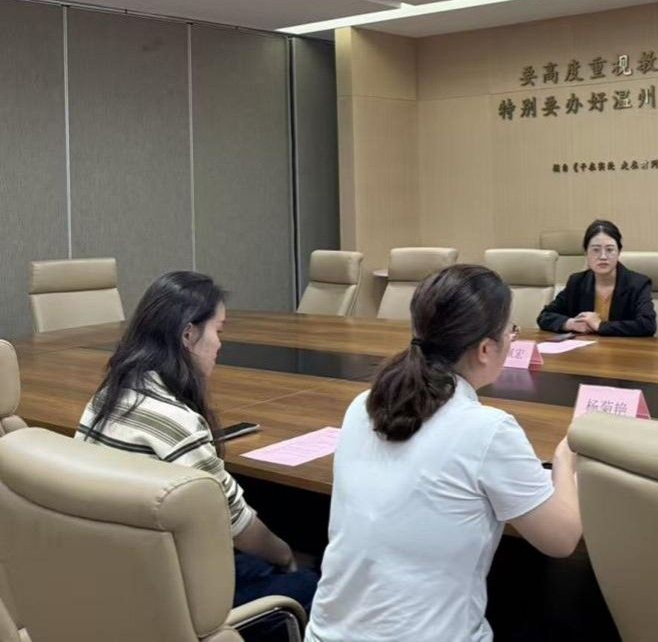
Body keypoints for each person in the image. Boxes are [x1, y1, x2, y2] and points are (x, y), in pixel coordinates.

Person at [306, 265, 582, 642]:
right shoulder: (487, 429)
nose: (512, 339)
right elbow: (561, 539)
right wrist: (565, 461)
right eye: (511, 331)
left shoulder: (364, 405)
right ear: (486, 349)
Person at [76, 272, 318, 614]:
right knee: (315, 582)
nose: (220, 344)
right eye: (218, 330)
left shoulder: (105, 398)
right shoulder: (176, 422)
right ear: (189, 334)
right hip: (171, 598)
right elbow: (238, 525)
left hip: (114, 578)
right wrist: (288, 556)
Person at [537, 219, 656, 337]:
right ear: (586, 253)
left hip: (623, 348)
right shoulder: (577, 282)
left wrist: (600, 325)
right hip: (586, 348)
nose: (603, 256)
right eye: (595, 250)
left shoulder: (637, 284)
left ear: (619, 252)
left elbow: (647, 325)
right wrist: (570, 324)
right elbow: (545, 316)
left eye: (609, 250)